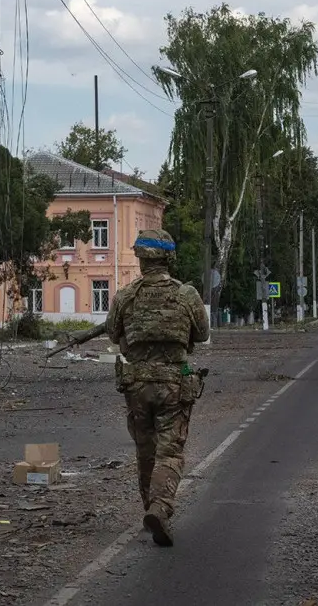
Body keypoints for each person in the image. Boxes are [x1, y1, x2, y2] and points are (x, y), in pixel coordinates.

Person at [102, 228, 210, 546]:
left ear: (139, 258)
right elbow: (202, 334)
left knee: (145, 452)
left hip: (136, 386)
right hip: (174, 385)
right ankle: (160, 508)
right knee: (170, 452)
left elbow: (112, 333)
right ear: (169, 257)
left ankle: (150, 508)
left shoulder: (125, 295)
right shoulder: (185, 294)